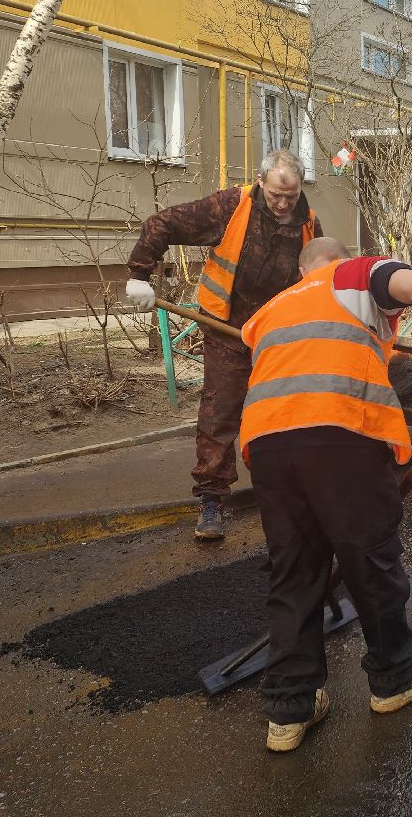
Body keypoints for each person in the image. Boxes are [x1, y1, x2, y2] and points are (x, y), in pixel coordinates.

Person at [240, 236, 412, 753]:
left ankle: (290, 711)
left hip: (267, 443)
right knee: (369, 560)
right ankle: (395, 678)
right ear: (339, 258)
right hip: (339, 433)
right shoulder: (352, 274)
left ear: (300, 271)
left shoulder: (272, 309)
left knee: (294, 570)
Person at [122, 151, 322, 541]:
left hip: (276, 335)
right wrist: (139, 274)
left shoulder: (309, 223)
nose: (283, 204)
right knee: (221, 411)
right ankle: (211, 499)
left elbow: (322, 273)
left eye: (291, 195)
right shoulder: (232, 207)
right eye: (276, 195)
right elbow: (163, 223)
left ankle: (286, 491)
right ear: (261, 182)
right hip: (226, 327)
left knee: (285, 413)